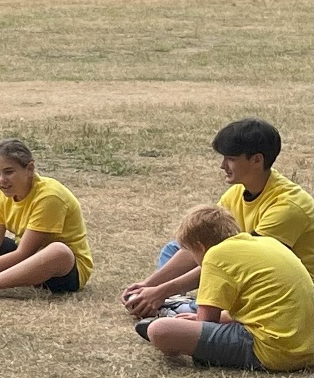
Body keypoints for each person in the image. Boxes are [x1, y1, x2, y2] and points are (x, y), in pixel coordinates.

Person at [124, 119, 313, 315]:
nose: (223, 165)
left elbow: (235, 262)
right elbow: (203, 243)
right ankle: (178, 304)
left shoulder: (289, 206)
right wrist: (148, 285)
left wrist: (162, 291)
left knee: (209, 263)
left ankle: (181, 306)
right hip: (239, 268)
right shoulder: (236, 193)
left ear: (257, 160)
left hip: (283, 297)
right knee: (177, 247)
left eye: (230, 158)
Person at [135, 205, 314, 372]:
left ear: (199, 247)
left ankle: (184, 342)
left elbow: (206, 322)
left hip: (275, 352)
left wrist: (189, 326)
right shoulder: (267, 243)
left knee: (160, 329)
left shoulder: (215, 255)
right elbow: (257, 307)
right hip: (308, 349)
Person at [0, 138, 93, 297]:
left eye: (9, 172)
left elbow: (23, 253)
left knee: (59, 250)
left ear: (30, 169)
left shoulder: (50, 197)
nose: (2, 180)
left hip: (61, 269)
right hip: (24, 256)